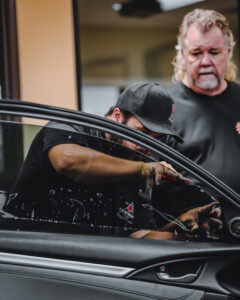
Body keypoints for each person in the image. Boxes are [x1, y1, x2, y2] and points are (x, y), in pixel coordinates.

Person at [3, 82, 221, 240]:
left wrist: (180, 227)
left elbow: (138, 237)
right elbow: (67, 161)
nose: (147, 145)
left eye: (158, 140)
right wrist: (142, 169)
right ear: (117, 116)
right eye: (141, 133)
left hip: (94, 268)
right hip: (31, 256)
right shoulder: (74, 127)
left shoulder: (137, 165)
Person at [166, 8, 240, 194]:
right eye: (196, 53)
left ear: (229, 52)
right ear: (183, 55)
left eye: (214, 52)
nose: (206, 61)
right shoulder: (164, 108)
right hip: (190, 222)